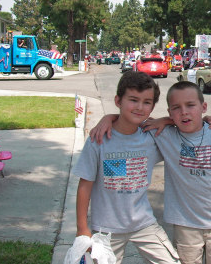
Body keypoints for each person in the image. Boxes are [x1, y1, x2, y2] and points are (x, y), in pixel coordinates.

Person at [90, 81, 211, 264]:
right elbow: (130, 119)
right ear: (169, 112)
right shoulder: (164, 134)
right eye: (176, 108)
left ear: (203, 107)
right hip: (185, 224)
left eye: (190, 105)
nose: (184, 112)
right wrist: (108, 118)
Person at [73, 71, 180, 264]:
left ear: (153, 106)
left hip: (144, 223)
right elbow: (85, 185)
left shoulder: (153, 137)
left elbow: (187, 123)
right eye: (133, 100)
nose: (140, 107)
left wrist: (165, 120)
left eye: (147, 102)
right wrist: (82, 229)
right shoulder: (98, 139)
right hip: (106, 229)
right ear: (118, 100)